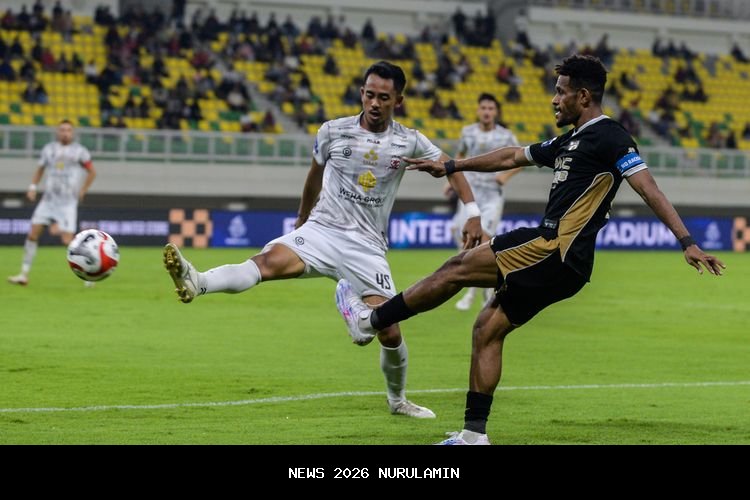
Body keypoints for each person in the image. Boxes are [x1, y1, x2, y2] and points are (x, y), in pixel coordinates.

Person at [335, 54, 726, 444]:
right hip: (565, 265)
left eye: (561, 92)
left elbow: (647, 187)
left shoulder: (611, 137)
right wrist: (453, 166)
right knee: (487, 329)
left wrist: (687, 242)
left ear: (583, 96)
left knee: (457, 268)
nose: (554, 99)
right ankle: (473, 436)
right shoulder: (568, 141)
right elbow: (510, 156)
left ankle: (372, 321)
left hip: (553, 247)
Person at [162, 61, 483, 419]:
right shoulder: (332, 131)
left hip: (367, 246)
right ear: (361, 93)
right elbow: (313, 177)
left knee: (390, 331)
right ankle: (198, 281)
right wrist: (302, 220)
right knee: (265, 263)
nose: (374, 103)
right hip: (322, 230)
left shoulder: (409, 140)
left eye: (384, 97)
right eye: (369, 95)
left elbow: (452, 168)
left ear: (399, 101)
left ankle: (397, 400)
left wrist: (472, 212)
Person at [448, 93, 521, 311]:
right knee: (465, 238)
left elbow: (520, 159)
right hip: (470, 194)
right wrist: (451, 180)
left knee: (484, 240)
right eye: (483, 108)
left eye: (490, 108)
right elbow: (460, 155)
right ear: (478, 110)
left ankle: (473, 292)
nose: (487, 112)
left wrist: (505, 176)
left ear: (496, 112)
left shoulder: (506, 136)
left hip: (492, 194)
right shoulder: (467, 132)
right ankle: (479, 290)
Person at [8, 120, 97, 286]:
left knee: (68, 242)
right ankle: (23, 274)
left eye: (68, 130)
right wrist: (33, 187)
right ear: (57, 132)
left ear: (72, 133)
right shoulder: (48, 149)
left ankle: (89, 275)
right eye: (62, 130)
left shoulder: (80, 151)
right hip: (48, 201)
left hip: (67, 203)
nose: (65, 133)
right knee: (32, 235)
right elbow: (40, 169)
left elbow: (92, 171)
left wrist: (83, 190)